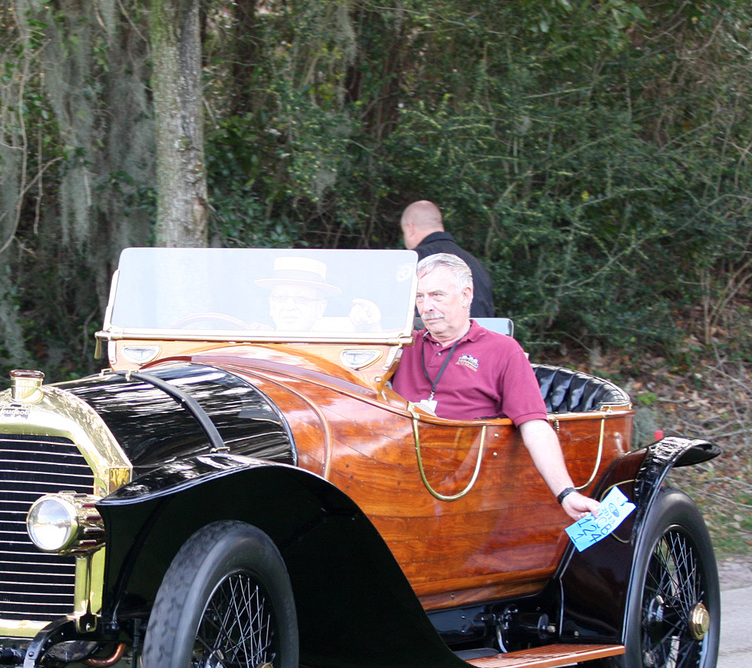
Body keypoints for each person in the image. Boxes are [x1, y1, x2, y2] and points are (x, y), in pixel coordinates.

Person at [391, 253, 599, 522]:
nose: (426, 306)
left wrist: (566, 493)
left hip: (466, 485)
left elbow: (534, 425)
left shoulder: (503, 350)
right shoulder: (400, 346)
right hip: (397, 473)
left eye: (437, 295)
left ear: (466, 295)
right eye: (419, 297)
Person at [400, 200, 495, 318]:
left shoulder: (411, 262)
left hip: (429, 336)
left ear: (410, 228)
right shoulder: (477, 265)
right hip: (477, 335)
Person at [253, 256, 379, 332]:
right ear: (271, 305)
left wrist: (369, 324)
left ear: (321, 308)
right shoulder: (251, 345)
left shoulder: (336, 346)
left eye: (301, 298)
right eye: (281, 297)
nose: (289, 306)